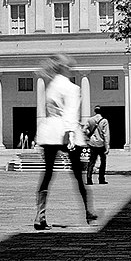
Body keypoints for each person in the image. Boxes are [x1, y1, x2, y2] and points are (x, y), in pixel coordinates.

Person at [33, 54, 96, 230]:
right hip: (67, 132)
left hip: (49, 132)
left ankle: (40, 215)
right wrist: (69, 132)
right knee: (77, 175)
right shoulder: (72, 88)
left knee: (47, 174)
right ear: (65, 68)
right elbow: (70, 111)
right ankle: (88, 212)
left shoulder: (51, 86)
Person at [84, 106, 110, 185]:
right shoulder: (104, 121)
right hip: (101, 143)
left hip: (92, 143)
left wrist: (89, 134)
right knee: (103, 161)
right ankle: (101, 179)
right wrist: (107, 146)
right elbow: (106, 134)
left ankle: (89, 179)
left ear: (95, 111)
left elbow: (84, 130)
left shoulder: (90, 120)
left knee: (91, 161)